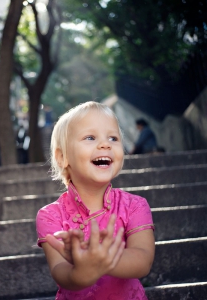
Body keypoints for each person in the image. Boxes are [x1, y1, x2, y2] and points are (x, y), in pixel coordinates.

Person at [36, 101, 155, 299]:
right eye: (90, 137)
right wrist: (81, 273)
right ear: (62, 157)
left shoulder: (135, 206)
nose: (105, 144)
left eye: (113, 138)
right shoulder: (50, 216)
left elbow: (143, 261)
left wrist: (99, 258)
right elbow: (59, 270)